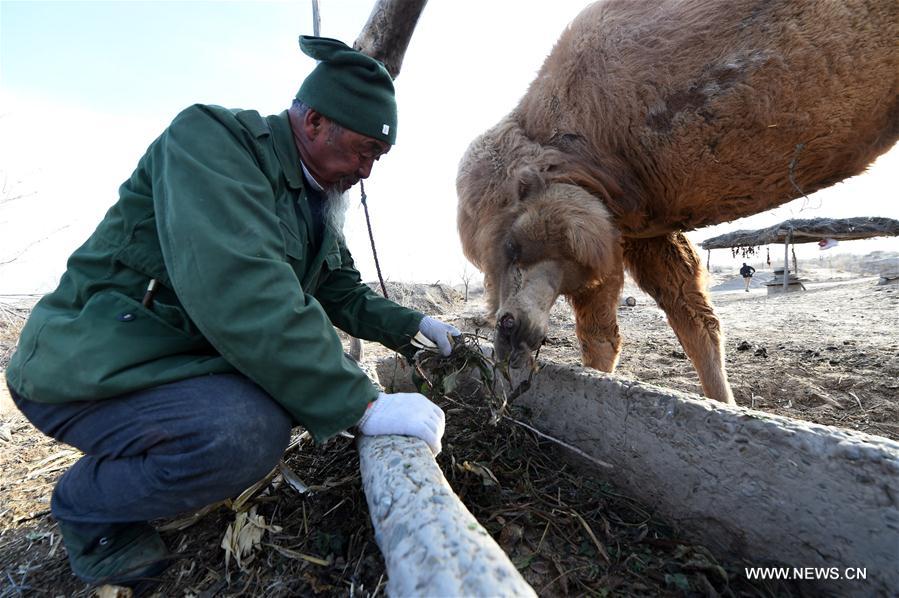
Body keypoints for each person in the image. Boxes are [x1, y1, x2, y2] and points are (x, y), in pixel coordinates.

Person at [4, 36, 460, 588]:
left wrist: (415, 327)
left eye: (376, 158)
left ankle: (145, 472)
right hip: (91, 365)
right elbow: (242, 287)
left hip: (172, 366)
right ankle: (86, 507)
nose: (366, 171)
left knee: (273, 402)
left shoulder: (314, 199)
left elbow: (341, 291)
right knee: (244, 431)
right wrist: (361, 405)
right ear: (314, 122)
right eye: (362, 151)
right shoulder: (210, 143)